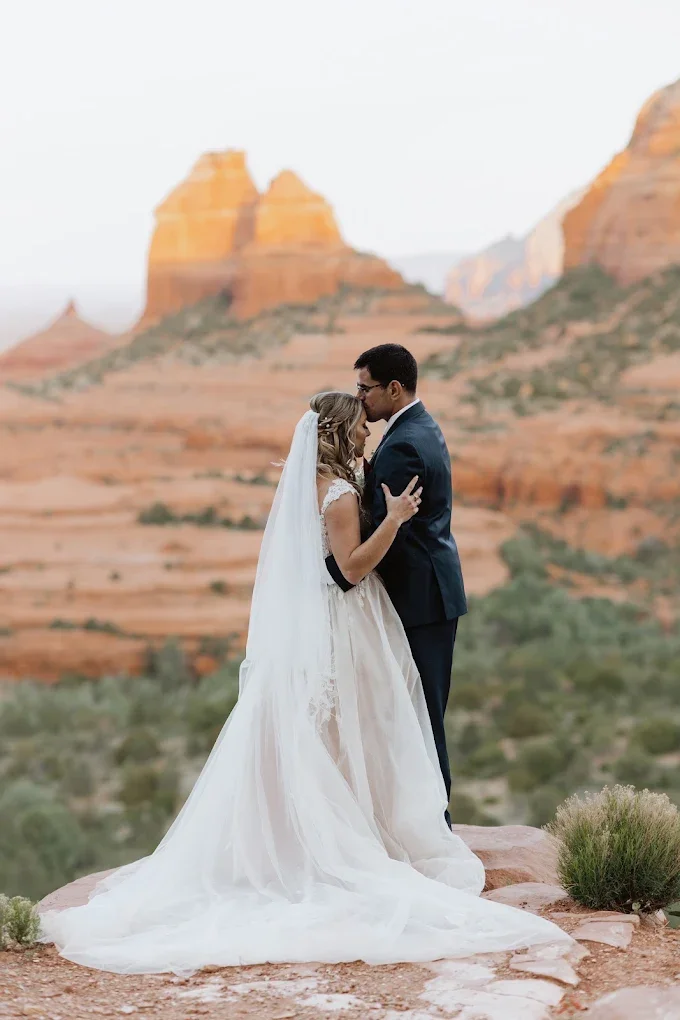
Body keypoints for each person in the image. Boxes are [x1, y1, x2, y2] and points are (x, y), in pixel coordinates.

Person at [38, 391, 571, 976]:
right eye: (360, 428)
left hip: (323, 624)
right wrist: (392, 520)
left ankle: (334, 829)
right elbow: (349, 569)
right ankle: (341, 841)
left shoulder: (317, 482)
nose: (368, 433)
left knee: (332, 730)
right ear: (342, 431)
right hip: (343, 623)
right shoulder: (338, 494)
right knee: (348, 729)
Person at [326, 344, 463, 826]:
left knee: (422, 717)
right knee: (416, 715)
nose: (358, 398)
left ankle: (436, 830)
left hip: (417, 599)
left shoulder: (403, 443)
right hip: (428, 595)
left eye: (364, 388)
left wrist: (340, 569)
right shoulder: (416, 427)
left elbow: (391, 529)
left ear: (394, 388)